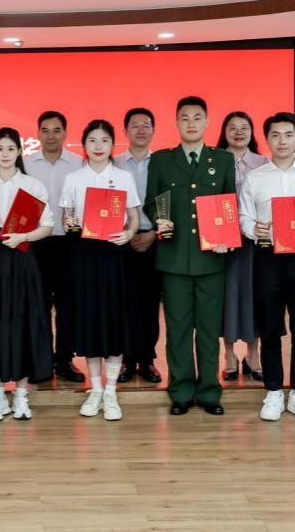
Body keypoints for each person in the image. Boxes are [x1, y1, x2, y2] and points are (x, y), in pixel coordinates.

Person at [144, 96, 235, 417]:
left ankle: (209, 391)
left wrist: (226, 237)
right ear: (176, 123)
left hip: (211, 259)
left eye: (197, 117)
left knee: (209, 330)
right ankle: (181, 391)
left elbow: (228, 202)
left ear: (207, 121)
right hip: (174, 259)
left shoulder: (222, 159)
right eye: (185, 118)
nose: (191, 123)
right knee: (179, 329)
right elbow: (152, 201)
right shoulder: (161, 160)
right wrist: (159, 218)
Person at [238, 113, 295, 423]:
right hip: (268, 259)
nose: (282, 141)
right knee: (270, 327)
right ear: (267, 139)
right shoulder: (255, 178)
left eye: (288, 135)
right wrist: (254, 230)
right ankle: (274, 391)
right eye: (275, 135)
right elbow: (244, 217)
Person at [0, 126, 55, 421]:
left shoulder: (33, 186)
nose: (5, 154)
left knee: (23, 321)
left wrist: (23, 237)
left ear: (19, 151)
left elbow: (47, 226)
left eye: (10, 148)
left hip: (22, 258)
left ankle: (20, 395)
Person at [61, 120, 140, 421]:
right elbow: (67, 217)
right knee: (90, 321)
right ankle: (95, 389)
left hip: (114, 255)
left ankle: (111, 391)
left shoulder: (123, 177)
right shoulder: (73, 178)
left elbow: (134, 217)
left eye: (104, 140)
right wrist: (70, 223)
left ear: (112, 145)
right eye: (92, 140)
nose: (98, 146)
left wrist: (128, 233)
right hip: (84, 256)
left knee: (115, 320)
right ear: (84, 144)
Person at [24, 110, 86, 383]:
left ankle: (64, 360)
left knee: (67, 305)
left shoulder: (78, 164)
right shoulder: (26, 164)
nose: (51, 136)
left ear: (65, 133)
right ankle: (41, 361)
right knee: (38, 305)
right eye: (45, 130)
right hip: (35, 243)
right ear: (38, 133)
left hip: (68, 243)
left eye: (57, 130)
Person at [216, 111, 268, 382]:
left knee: (253, 295)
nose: (238, 132)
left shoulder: (263, 162)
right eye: (232, 127)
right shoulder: (213, 160)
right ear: (224, 132)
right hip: (221, 243)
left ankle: (253, 353)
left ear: (252, 131)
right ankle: (228, 354)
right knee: (225, 297)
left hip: (255, 243)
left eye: (244, 127)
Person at [113, 108, 163, 384]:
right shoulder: (115, 164)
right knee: (123, 303)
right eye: (135, 125)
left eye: (146, 125)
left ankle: (147, 360)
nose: (141, 130)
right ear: (126, 131)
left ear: (153, 130)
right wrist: (125, 232)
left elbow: (170, 202)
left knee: (150, 303)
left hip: (154, 239)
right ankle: (126, 360)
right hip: (121, 241)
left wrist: (153, 233)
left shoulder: (164, 163)